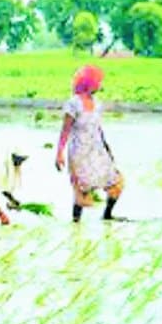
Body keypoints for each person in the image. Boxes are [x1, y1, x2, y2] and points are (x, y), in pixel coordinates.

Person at [55, 65, 124, 222]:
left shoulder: (97, 103)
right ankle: (76, 222)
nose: (100, 85)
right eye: (98, 82)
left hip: (97, 150)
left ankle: (107, 215)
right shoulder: (74, 103)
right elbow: (65, 130)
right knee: (82, 189)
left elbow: (98, 129)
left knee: (115, 181)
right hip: (79, 151)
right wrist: (59, 153)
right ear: (89, 83)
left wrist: (107, 149)